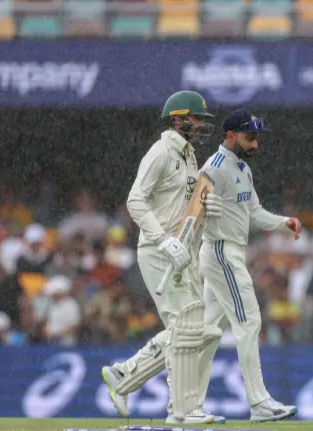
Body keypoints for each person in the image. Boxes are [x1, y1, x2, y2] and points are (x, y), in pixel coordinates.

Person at [100, 91, 225, 425]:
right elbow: (135, 201)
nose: (200, 125)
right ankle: (182, 412)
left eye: (202, 121)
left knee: (201, 330)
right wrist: (163, 240)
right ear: (177, 119)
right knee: (185, 329)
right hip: (159, 252)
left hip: (182, 253)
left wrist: (206, 211)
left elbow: (185, 209)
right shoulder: (161, 152)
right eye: (195, 119)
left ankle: (124, 375)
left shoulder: (189, 157)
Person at [196, 109, 302, 423]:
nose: (255, 145)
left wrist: (285, 223)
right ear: (230, 135)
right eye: (250, 137)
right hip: (221, 252)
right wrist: (201, 208)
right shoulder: (213, 168)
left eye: (256, 138)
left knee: (207, 332)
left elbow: (253, 213)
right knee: (249, 322)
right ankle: (258, 403)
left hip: (230, 252)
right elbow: (189, 211)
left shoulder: (242, 168)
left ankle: (186, 404)